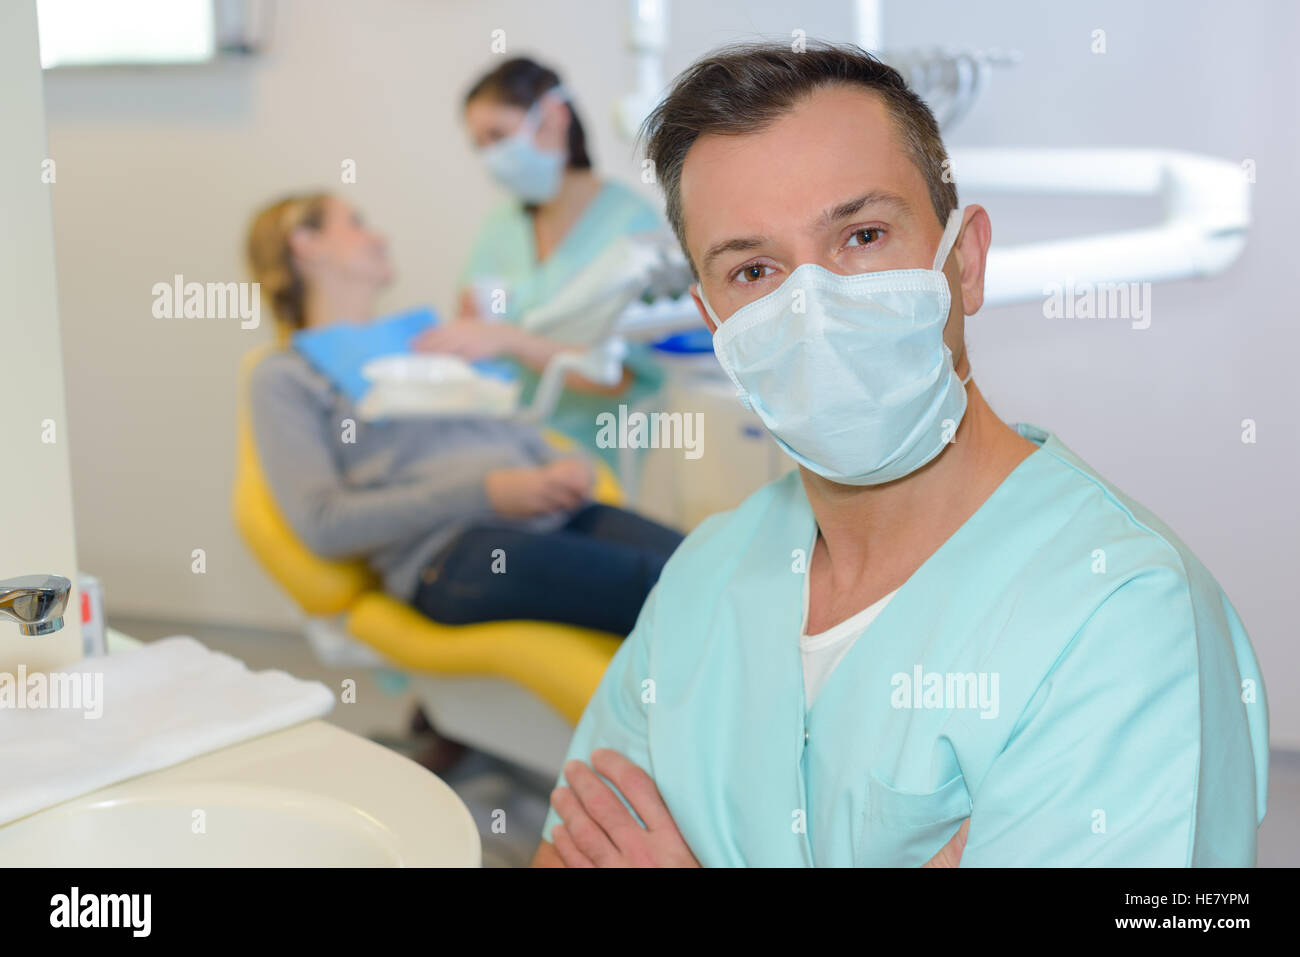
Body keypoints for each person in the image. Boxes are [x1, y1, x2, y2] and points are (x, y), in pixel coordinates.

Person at [533, 41, 1269, 868]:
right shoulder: (705, 578)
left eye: (863, 235)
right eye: (754, 269)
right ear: (717, 328)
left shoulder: (1123, 615)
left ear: (966, 259)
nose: (812, 308)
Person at [243, 191, 683, 639]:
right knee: (662, 590)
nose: (380, 236)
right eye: (355, 223)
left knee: (708, 571)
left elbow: (512, 433)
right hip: (453, 551)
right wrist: (486, 494)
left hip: (553, 515)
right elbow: (324, 524)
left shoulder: (427, 343)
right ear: (306, 244)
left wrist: (564, 467)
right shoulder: (287, 376)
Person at [413, 56, 669, 469]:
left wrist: (512, 341)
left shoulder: (630, 226)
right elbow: (470, 329)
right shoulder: (501, 224)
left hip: (594, 463)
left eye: (498, 136)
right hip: (504, 450)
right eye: (479, 145)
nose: (489, 158)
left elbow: (622, 376)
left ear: (552, 118)